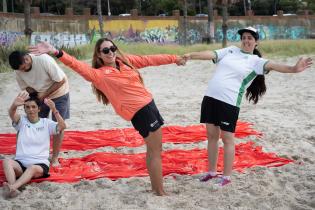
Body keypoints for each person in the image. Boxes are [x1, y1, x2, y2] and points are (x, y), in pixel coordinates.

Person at [28, 38, 186, 196]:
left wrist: (174, 58)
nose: (110, 52)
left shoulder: (124, 61)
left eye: (112, 48)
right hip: (141, 112)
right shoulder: (99, 75)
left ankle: (156, 188)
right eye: (105, 50)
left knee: (155, 150)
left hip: (150, 105)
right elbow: (76, 64)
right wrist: (56, 51)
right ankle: (160, 191)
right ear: (99, 55)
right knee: (155, 151)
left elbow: (149, 59)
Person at [183, 26, 312, 186]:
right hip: (210, 97)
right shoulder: (230, 51)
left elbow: (276, 66)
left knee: (227, 139)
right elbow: (211, 54)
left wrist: (293, 69)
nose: (246, 40)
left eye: (250, 38)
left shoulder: (256, 62)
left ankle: (226, 177)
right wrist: (191, 55)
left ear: (256, 42)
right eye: (244, 37)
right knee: (211, 136)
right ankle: (211, 172)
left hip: (229, 102)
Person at [8, 50, 70, 166]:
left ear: (26, 59)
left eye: (24, 67)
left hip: (59, 92)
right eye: (20, 69)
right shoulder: (18, 70)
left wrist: (44, 94)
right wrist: (36, 95)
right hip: (39, 94)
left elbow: (61, 80)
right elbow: (26, 87)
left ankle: (55, 157)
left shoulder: (43, 60)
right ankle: (25, 153)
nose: (22, 71)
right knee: (30, 123)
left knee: (58, 126)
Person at [3, 91, 66, 198]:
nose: (30, 109)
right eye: (27, 107)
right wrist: (14, 105)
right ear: (25, 109)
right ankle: (13, 187)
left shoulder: (46, 123)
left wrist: (54, 109)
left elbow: (62, 126)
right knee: (6, 161)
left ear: (39, 109)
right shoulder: (21, 121)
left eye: (33, 107)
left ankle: (13, 187)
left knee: (32, 168)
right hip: (21, 163)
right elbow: (12, 113)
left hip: (39, 165)